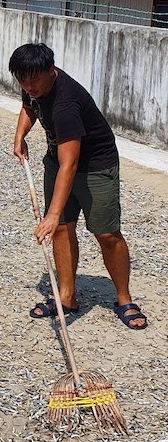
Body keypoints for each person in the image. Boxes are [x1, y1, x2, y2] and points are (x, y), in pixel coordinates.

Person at [9, 42, 147, 330]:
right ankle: (67, 296)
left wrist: (52, 213)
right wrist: (20, 136)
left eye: (34, 80)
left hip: (95, 166)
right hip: (57, 160)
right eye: (23, 80)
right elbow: (28, 107)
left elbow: (69, 165)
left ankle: (124, 298)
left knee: (106, 233)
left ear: (51, 71)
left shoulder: (66, 104)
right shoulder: (31, 81)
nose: (29, 86)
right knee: (61, 229)